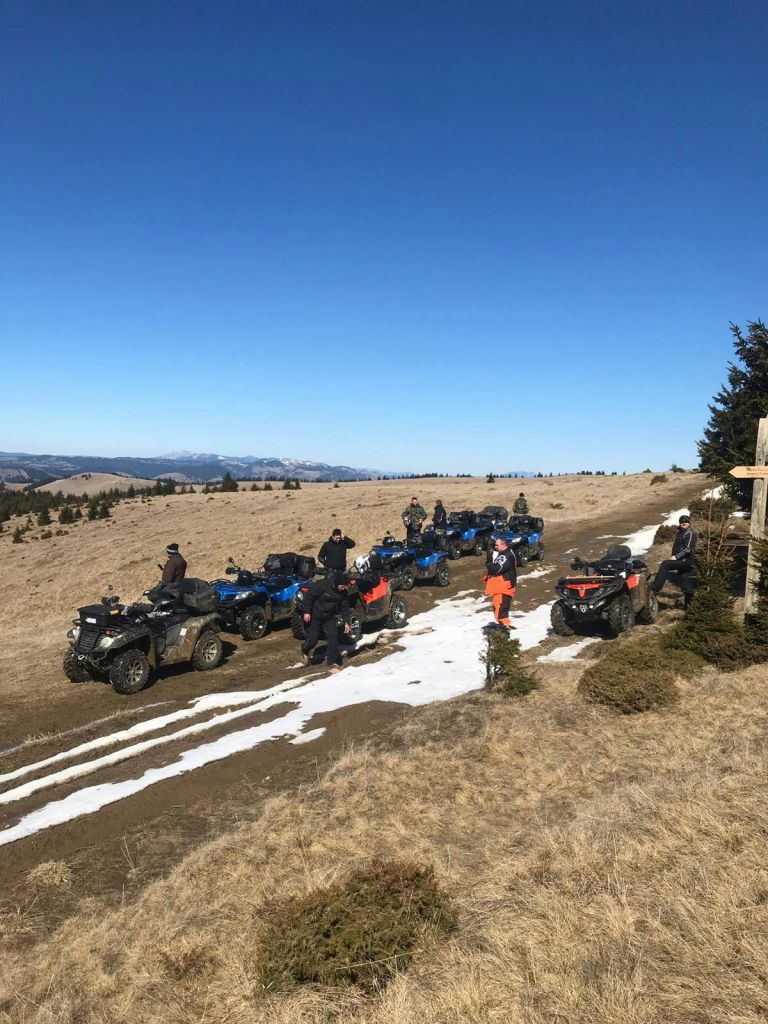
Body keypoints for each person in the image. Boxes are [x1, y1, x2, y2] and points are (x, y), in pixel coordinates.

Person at [300, 573, 352, 674]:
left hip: (329, 616)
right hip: (315, 615)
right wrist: (307, 612)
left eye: (345, 587)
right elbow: (309, 597)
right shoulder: (322, 585)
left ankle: (332, 663)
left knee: (333, 637)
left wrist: (346, 622)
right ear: (337, 583)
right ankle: (304, 650)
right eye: (342, 586)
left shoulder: (343, 593)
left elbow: (344, 608)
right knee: (313, 640)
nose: (343, 588)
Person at [651, 514, 697, 606]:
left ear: (689, 523)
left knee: (665, 564)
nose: (684, 523)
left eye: (686, 522)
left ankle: (655, 587)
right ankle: (689, 606)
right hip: (682, 561)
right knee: (685, 582)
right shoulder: (680, 533)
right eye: (682, 522)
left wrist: (676, 557)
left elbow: (687, 549)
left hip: (686, 561)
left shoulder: (690, 533)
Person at [484, 537, 517, 631]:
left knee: (500, 609)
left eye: (497, 545)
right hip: (504, 586)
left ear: (503, 545)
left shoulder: (505, 556)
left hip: (503, 587)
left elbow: (494, 569)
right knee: (502, 608)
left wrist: (489, 559)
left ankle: (503, 632)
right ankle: (505, 626)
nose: (495, 547)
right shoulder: (507, 553)